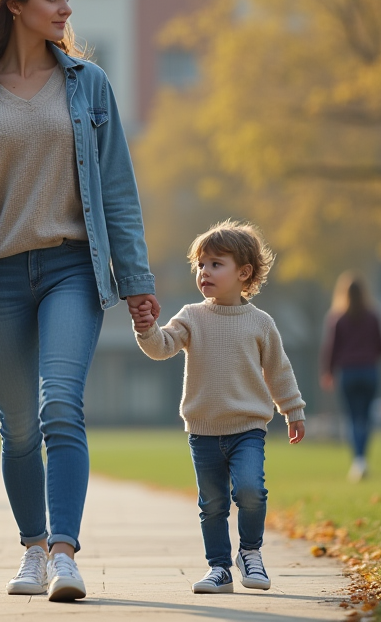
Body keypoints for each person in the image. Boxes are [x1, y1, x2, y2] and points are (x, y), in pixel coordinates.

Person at [0, 0, 157, 602]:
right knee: (19, 423)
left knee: (61, 405)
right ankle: (30, 547)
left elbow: (118, 191)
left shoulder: (89, 85)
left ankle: (64, 553)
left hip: (71, 269)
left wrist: (135, 280)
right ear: (17, 4)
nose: (66, 7)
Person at [131, 220, 307, 595]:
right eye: (200, 265)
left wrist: (294, 411)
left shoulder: (261, 323)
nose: (204, 272)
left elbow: (279, 371)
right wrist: (147, 329)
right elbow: (163, 346)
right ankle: (219, 568)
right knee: (212, 505)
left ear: (243, 273)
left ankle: (251, 552)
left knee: (250, 491)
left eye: (215, 264)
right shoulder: (192, 316)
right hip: (203, 431)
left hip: (248, 428)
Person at [319, 271, 381, 482]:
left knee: (352, 418)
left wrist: (327, 372)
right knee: (366, 418)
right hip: (369, 371)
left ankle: (358, 460)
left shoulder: (337, 318)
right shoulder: (373, 316)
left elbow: (331, 348)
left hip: (348, 373)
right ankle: (362, 458)